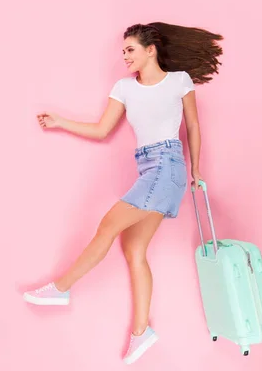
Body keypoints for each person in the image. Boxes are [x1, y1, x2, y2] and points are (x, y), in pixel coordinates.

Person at [24, 22, 223, 364]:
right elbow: (102, 130)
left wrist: (195, 169)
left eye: (130, 50)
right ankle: (141, 331)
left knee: (107, 226)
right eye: (123, 52)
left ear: (151, 50)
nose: (125, 56)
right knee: (133, 250)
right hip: (146, 168)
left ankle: (61, 288)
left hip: (168, 165)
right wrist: (60, 122)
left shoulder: (179, 81)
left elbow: (192, 125)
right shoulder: (124, 88)